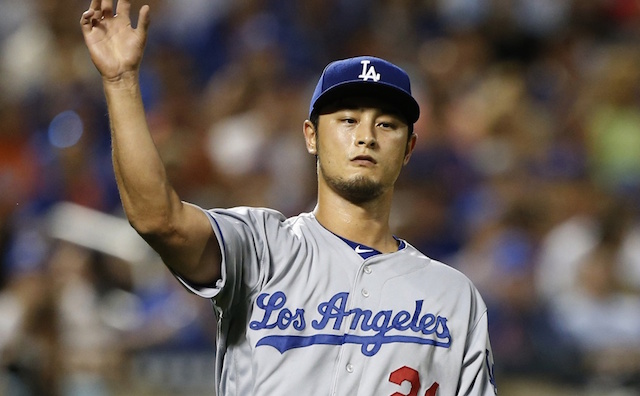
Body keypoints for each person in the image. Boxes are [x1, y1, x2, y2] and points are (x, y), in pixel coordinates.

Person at [80, 1, 497, 394]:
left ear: (408, 149)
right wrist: (120, 82)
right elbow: (157, 219)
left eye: (386, 125)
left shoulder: (452, 296)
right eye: (348, 119)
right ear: (311, 136)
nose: (366, 136)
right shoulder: (262, 247)